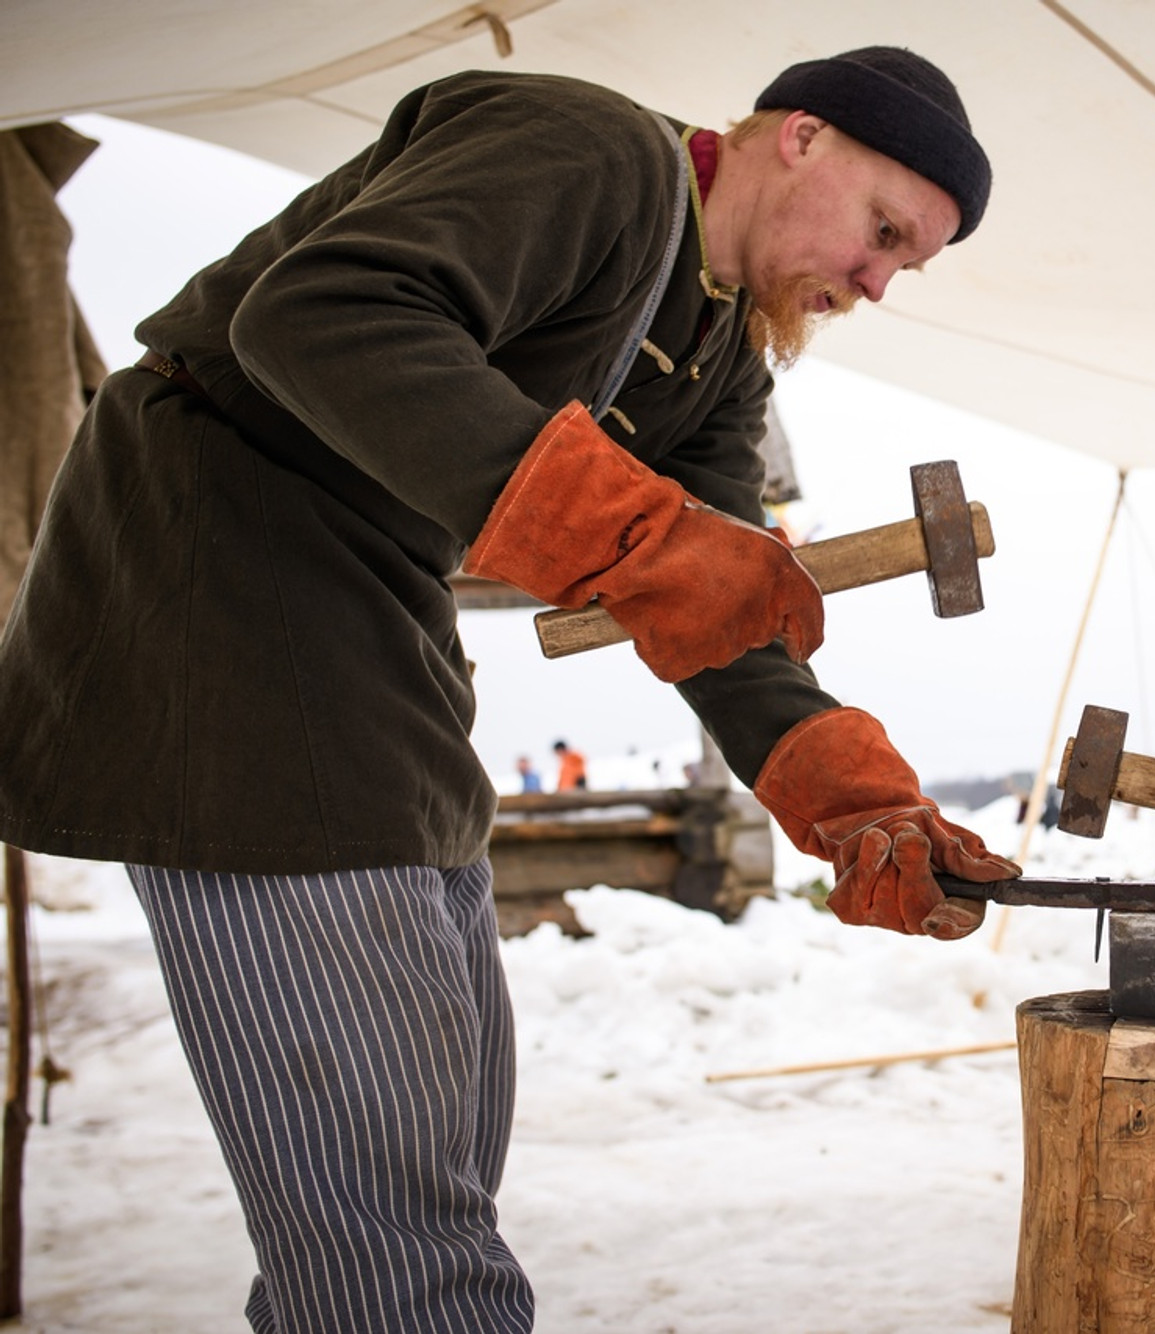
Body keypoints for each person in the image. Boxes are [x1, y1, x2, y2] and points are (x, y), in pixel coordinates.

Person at [0, 46, 1020, 1331]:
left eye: (901, 267)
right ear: (798, 138)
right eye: (883, 232)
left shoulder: (714, 351)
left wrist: (855, 797)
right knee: (389, 1227)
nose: (873, 283)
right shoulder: (589, 150)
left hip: (375, 604)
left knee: (434, 1127)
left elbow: (718, 608)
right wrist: (636, 532)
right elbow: (320, 314)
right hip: (221, 565)